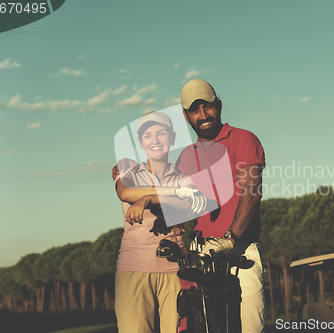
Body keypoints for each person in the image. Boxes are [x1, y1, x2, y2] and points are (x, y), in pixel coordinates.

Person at [176, 79, 266, 333]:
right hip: (203, 259)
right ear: (186, 116)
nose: (203, 115)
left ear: (219, 106)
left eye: (208, 107)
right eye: (195, 110)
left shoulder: (243, 139)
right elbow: (176, 204)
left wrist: (230, 237)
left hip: (241, 252)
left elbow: (252, 191)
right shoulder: (185, 157)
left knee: (250, 327)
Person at [114, 111, 206, 333]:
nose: (155, 140)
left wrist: (146, 198)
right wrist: (175, 193)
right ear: (140, 142)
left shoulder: (185, 179)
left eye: (161, 133)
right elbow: (125, 193)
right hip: (133, 269)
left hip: (176, 271)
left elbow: (190, 204)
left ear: (172, 137)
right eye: (148, 135)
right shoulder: (129, 173)